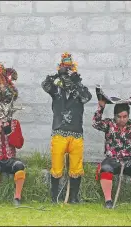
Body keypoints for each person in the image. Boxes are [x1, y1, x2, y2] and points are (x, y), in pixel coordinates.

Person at [41, 52, 92, 203]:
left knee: (76, 167)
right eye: (65, 68)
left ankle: (74, 198)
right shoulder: (56, 88)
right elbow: (45, 85)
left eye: (69, 69)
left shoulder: (80, 88)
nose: (67, 72)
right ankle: (54, 197)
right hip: (59, 131)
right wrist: (56, 75)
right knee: (57, 166)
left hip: (76, 133)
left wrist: (74, 81)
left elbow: (85, 98)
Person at [93, 99, 131, 209]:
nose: (122, 119)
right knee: (105, 168)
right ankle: (108, 201)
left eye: (125, 116)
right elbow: (95, 123)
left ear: (128, 115)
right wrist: (101, 107)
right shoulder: (109, 124)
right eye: (119, 117)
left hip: (130, 160)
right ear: (115, 116)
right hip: (112, 159)